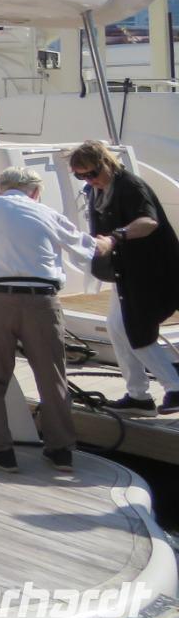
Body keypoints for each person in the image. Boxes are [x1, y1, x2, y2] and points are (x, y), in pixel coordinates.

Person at [0, 167, 99, 473]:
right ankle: (61, 451)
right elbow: (88, 248)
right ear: (35, 192)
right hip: (43, 300)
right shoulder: (47, 213)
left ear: (1, 188)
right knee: (52, 377)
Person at [72, 140, 179, 414]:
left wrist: (116, 236)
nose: (88, 180)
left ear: (106, 163)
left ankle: (174, 387)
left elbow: (149, 222)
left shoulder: (130, 187)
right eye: (80, 176)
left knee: (135, 330)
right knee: (117, 329)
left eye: (92, 173)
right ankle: (138, 395)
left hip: (149, 270)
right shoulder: (101, 190)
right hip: (126, 271)